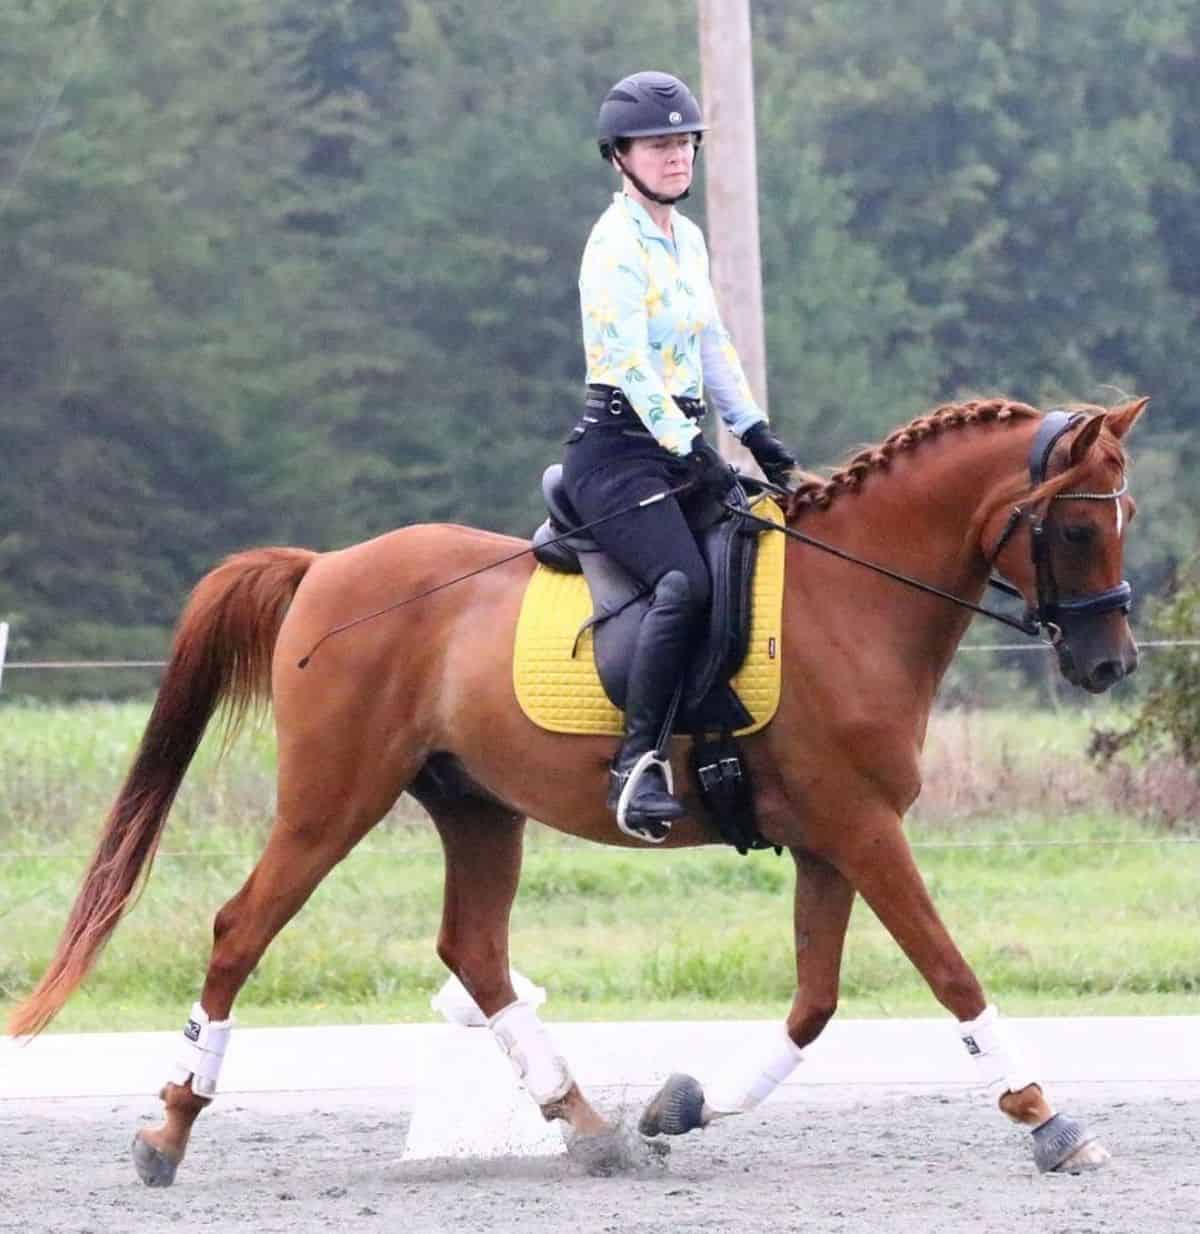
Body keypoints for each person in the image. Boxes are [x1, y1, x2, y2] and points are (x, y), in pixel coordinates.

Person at [562, 69, 800, 844]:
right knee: (683, 580)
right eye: (659, 145)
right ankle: (637, 764)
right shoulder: (612, 247)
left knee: (758, 551)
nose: (676, 157)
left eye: (684, 143)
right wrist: (691, 447)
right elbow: (630, 364)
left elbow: (709, 343)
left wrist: (756, 431)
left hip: (678, 448)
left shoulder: (686, 239)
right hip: (619, 455)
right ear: (620, 155)